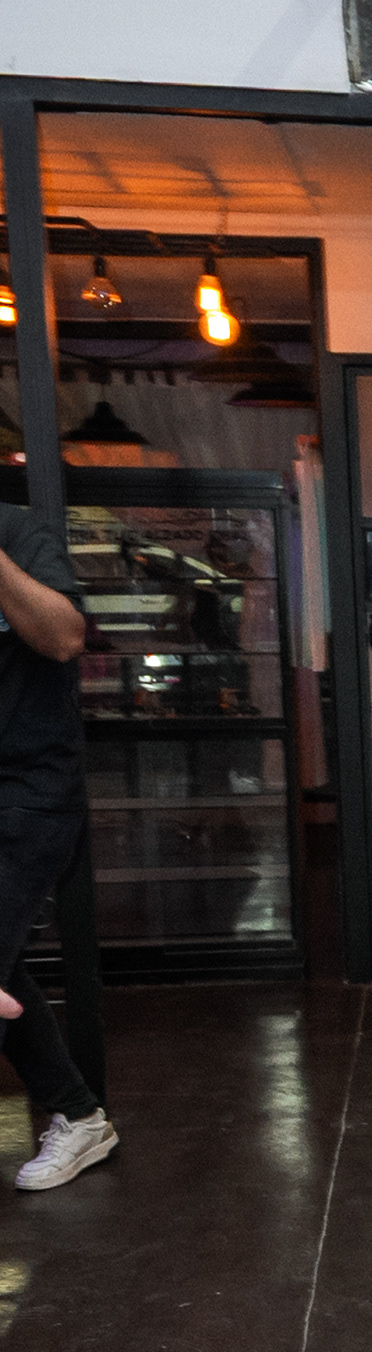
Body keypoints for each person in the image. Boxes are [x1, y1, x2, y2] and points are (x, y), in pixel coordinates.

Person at [1, 501, 119, 1193]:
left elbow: (65, 637)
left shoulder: (16, 532)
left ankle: (80, 1117)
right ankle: (79, 1115)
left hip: (26, 790)